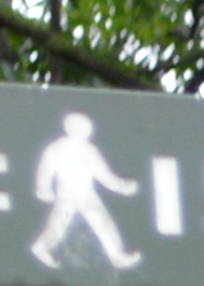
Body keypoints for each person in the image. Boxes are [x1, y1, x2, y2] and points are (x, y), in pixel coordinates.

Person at [30, 109, 144, 274]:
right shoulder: (61, 148)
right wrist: (43, 190)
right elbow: (45, 170)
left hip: (84, 193)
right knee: (64, 222)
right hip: (71, 194)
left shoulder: (85, 149)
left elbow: (103, 175)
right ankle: (42, 247)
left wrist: (123, 187)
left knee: (95, 222)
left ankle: (116, 255)